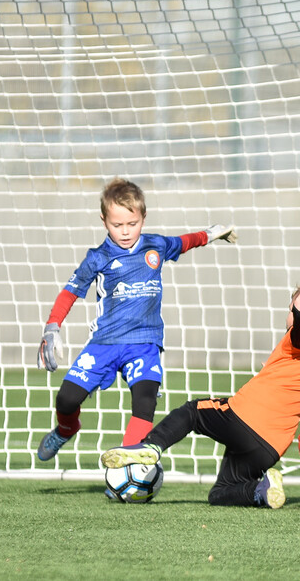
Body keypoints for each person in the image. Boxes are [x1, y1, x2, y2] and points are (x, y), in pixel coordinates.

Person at [35, 178, 236, 460]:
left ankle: (125, 466)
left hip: (145, 343)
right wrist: (52, 328)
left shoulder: (156, 245)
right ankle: (67, 429)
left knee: (145, 401)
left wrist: (211, 233)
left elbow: (185, 242)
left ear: (143, 217)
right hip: (104, 343)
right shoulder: (97, 258)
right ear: (104, 221)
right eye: (117, 225)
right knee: (66, 399)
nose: (126, 231)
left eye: (133, 223)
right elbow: (70, 292)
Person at [101, 280, 300, 508]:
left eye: (291, 309)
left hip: (243, 418)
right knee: (221, 493)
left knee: (192, 413)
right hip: (270, 447)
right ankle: (261, 491)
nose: (289, 315)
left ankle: (151, 446)